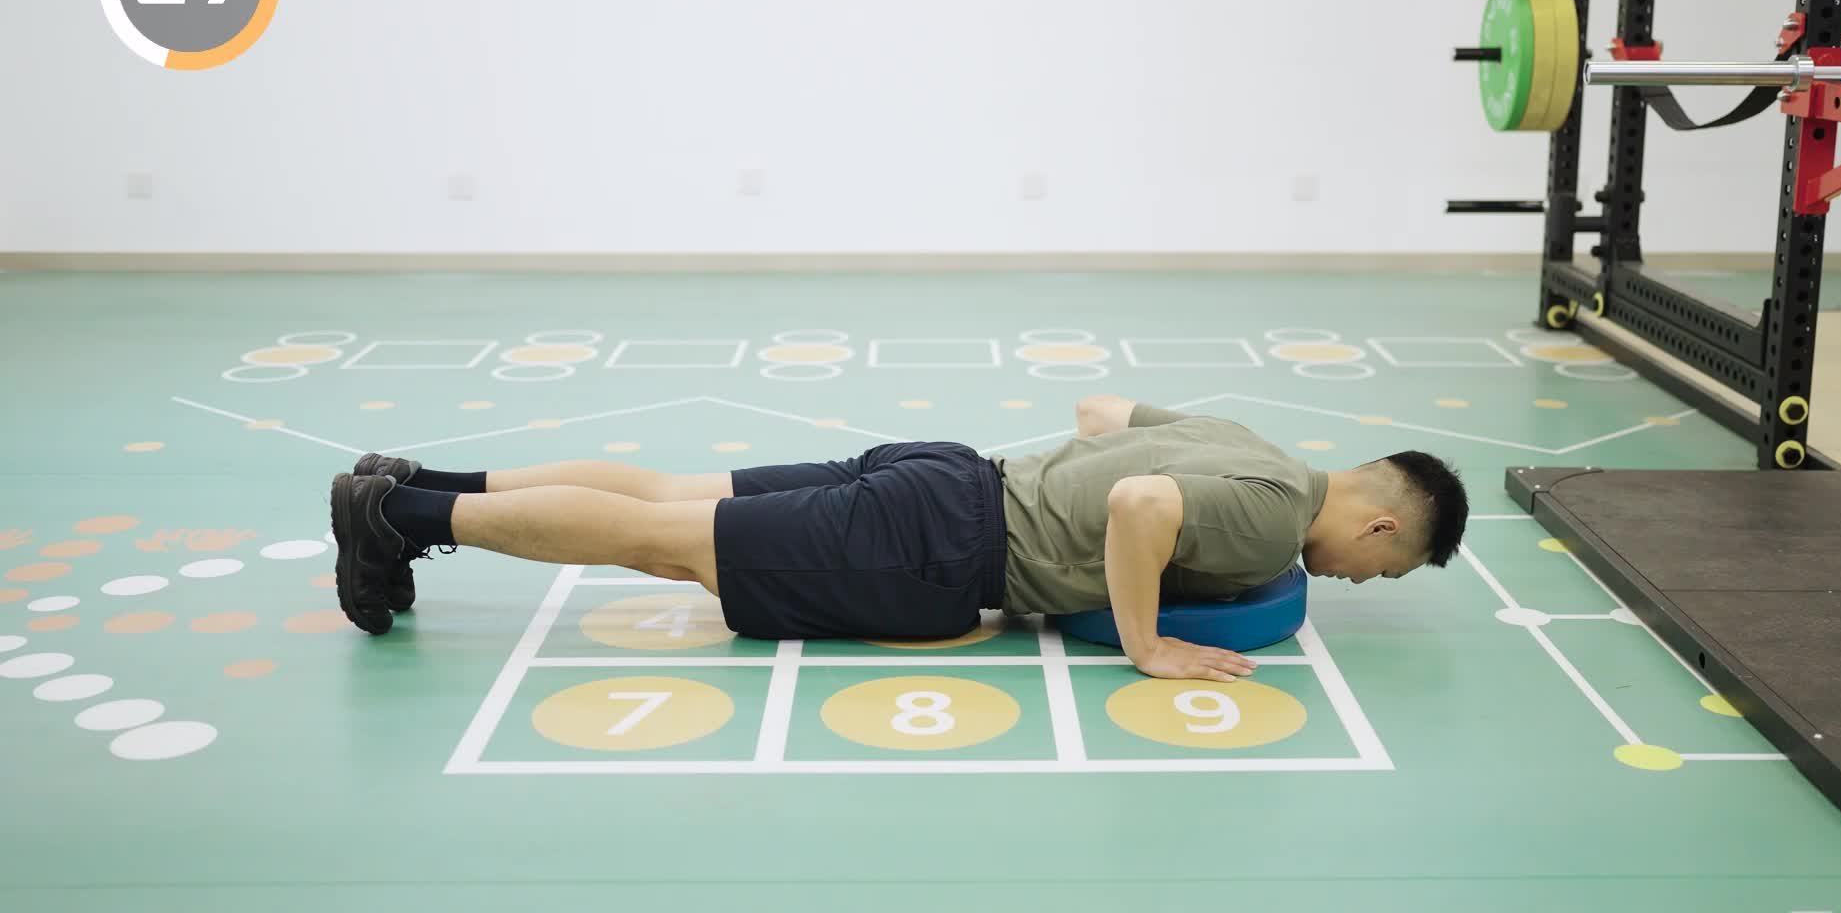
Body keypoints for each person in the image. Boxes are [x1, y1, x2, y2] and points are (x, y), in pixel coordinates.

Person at [329, 395, 1468, 681]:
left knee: (671, 495)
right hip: (943, 546)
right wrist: (1148, 643)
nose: (1363, 580)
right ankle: (397, 517)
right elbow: (1140, 509)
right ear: (1380, 523)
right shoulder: (1272, 518)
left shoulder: (1252, 442)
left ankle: (418, 482)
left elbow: (1101, 418)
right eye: (1387, 567)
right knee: (661, 541)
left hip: (949, 472)